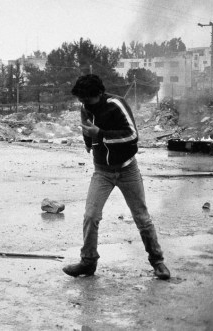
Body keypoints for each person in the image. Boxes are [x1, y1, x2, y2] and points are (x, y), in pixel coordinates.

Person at [63, 74, 170, 280]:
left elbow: (132, 135)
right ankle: (88, 262)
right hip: (102, 171)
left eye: (87, 99)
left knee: (142, 218)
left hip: (127, 169)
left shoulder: (116, 104)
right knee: (91, 216)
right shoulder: (85, 106)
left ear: (100, 94)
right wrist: (88, 141)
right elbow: (87, 128)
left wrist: (100, 134)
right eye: (81, 100)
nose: (84, 103)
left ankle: (157, 262)